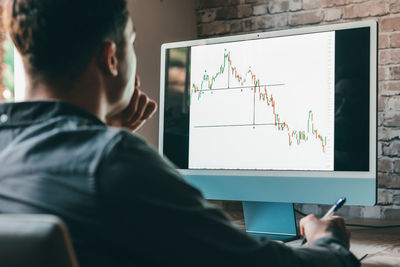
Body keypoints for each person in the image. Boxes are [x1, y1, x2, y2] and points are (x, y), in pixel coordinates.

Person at [0, 0, 359, 266]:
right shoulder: (112, 162)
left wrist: (100, 134)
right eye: (132, 42)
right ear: (111, 57)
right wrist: (328, 242)